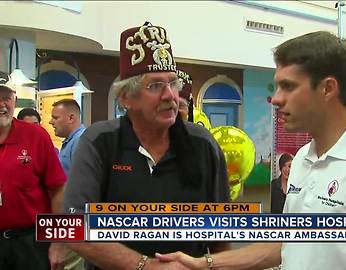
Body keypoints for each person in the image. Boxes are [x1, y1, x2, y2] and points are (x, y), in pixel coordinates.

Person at [156, 31, 346, 270]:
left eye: (288, 86)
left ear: (328, 88)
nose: (276, 99)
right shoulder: (303, 159)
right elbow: (286, 245)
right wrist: (201, 264)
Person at [59, 22, 230, 270]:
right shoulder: (99, 142)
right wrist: (145, 266)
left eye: (173, 83)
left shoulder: (203, 144)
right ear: (125, 98)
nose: (170, 95)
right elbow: (75, 226)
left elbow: (220, 231)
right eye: (155, 85)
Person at [0, 71, 66, 270]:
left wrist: (59, 242)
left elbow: (58, 190)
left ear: (15, 100)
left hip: (30, 243)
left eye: (6, 98)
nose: (2, 105)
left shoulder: (35, 136)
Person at [49, 99, 86, 176]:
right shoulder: (70, 141)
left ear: (71, 118)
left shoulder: (80, 141)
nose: (51, 122)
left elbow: (82, 180)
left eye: (55, 118)